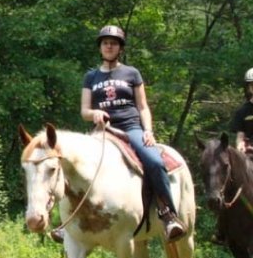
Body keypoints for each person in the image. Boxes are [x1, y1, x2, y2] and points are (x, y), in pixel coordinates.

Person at [79, 25, 186, 242]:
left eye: (113, 43)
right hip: (103, 131)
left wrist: (148, 131)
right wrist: (94, 114)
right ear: (100, 47)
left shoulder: (132, 73)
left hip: (130, 128)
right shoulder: (91, 77)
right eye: (105, 43)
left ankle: (168, 215)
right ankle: (69, 222)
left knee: (154, 161)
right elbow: (84, 111)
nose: (109, 46)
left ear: (120, 48)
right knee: (73, 163)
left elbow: (143, 106)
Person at [212, 66, 253, 244]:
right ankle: (221, 230)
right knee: (228, 183)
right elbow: (240, 136)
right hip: (250, 152)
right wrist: (240, 147)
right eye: (252, 84)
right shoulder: (242, 111)